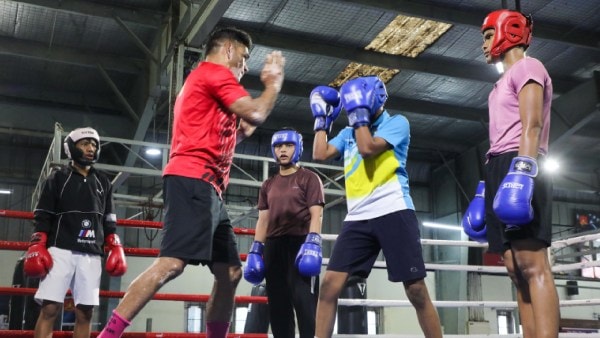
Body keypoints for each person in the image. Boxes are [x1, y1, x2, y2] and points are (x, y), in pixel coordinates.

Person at [97, 26, 285, 338]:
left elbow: (235, 126)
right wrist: (273, 85)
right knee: (171, 264)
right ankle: (109, 335)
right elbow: (257, 113)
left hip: (208, 187)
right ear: (227, 50)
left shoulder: (204, 80)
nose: (246, 65)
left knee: (230, 273)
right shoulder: (215, 73)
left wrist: (242, 124)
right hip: (193, 178)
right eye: (244, 56)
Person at [311, 77, 442, 338]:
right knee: (329, 286)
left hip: (394, 210)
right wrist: (321, 121)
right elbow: (319, 154)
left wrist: (358, 114)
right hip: (358, 216)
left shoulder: (397, 123)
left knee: (415, 289)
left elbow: (368, 148)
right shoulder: (348, 132)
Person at [479, 9, 559, 337]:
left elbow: (533, 125)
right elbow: (497, 138)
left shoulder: (529, 67)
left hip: (522, 161)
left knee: (532, 262)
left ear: (507, 31)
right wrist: (485, 186)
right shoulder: (497, 86)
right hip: (499, 164)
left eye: (486, 35)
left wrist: (522, 173)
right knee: (513, 267)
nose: (483, 45)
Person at [24, 127, 126, 338]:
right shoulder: (57, 178)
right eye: (85, 144)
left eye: (94, 145)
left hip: (91, 253)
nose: (91, 148)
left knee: (85, 313)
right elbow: (43, 214)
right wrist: (37, 243)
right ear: (72, 148)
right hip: (60, 249)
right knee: (50, 309)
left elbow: (109, 220)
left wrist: (114, 244)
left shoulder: (103, 182)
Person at [244, 128, 325, 338]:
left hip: (301, 245)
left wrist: (313, 242)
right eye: (278, 146)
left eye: (288, 145)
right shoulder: (268, 185)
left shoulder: (309, 178)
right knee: (279, 308)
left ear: (297, 148)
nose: (283, 150)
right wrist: (255, 250)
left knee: (306, 307)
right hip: (274, 247)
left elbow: (317, 214)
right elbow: (263, 220)